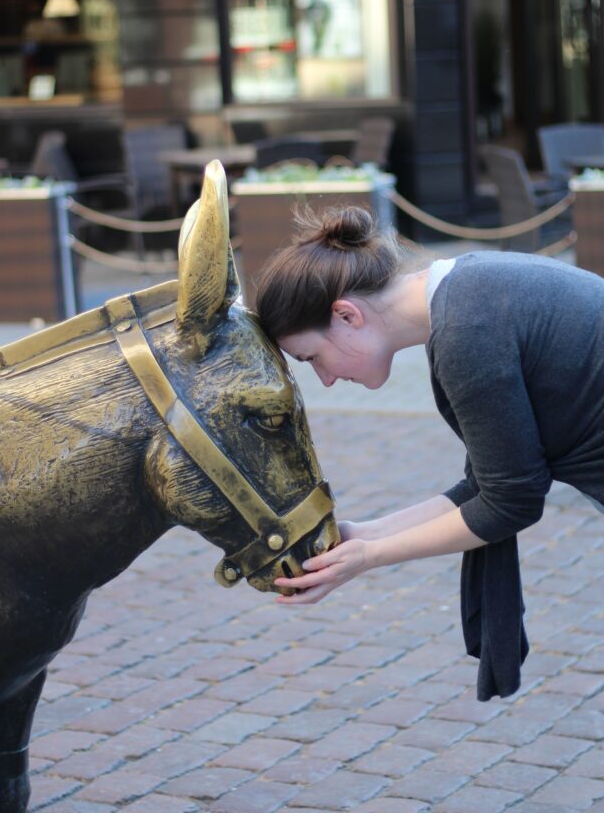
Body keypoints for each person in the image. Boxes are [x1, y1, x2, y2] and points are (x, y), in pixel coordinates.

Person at [255, 206, 604, 696]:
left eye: (313, 358)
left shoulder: (466, 334)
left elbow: (511, 502)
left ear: (346, 314)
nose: (327, 379)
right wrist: (359, 536)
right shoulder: (463, 290)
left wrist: (370, 557)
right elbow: (487, 487)